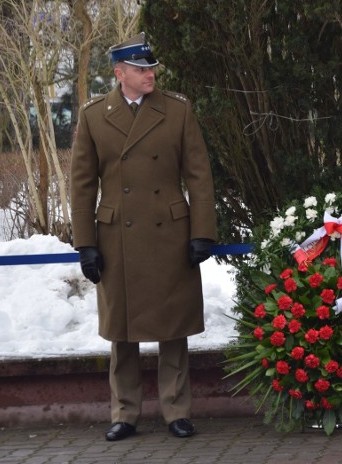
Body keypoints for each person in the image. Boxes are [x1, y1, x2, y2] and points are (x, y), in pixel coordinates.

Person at [70, 32, 217, 441]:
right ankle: (124, 413)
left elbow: (199, 176)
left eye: (151, 67)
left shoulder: (177, 111)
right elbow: (81, 184)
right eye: (140, 69)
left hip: (169, 230)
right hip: (118, 236)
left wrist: (202, 232)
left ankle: (177, 411)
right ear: (120, 74)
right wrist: (86, 243)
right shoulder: (95, 115)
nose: (150, 74)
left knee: (173, 329)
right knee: (122, 331)